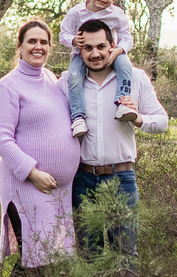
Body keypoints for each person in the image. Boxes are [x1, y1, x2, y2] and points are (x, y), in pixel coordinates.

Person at [59, 18, 167, 263]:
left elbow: (162, 121)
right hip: (82, 181)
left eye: (101, 47)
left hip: (121, 179)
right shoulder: (67, 83)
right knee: (90, 258)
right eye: (88, 48)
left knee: (125, 256)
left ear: (113, 46)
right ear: (79, 51)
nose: (95, 54)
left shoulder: (135, 79)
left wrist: (137, 117)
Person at [0, 19, 81, 277]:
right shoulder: (8, 87)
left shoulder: (52, 80)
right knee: (31, 255)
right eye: (32, 41)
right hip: (26, 186)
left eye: (44, 42)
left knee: (47, 256)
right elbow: (1, 139)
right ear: (19, 46)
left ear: (50, 47)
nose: (38, 47)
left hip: (58, 190)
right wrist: (32, 172)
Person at [59, 0, 137, 139]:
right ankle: (78, 117)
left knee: (125, 65)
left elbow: (127, 38)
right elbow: (63, 34)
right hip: (81, 54)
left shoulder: (116, 14)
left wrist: (118, 50)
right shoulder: (76, 12)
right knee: (74, 77)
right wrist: (74, 40)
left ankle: (123, 103)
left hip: (111, 51)